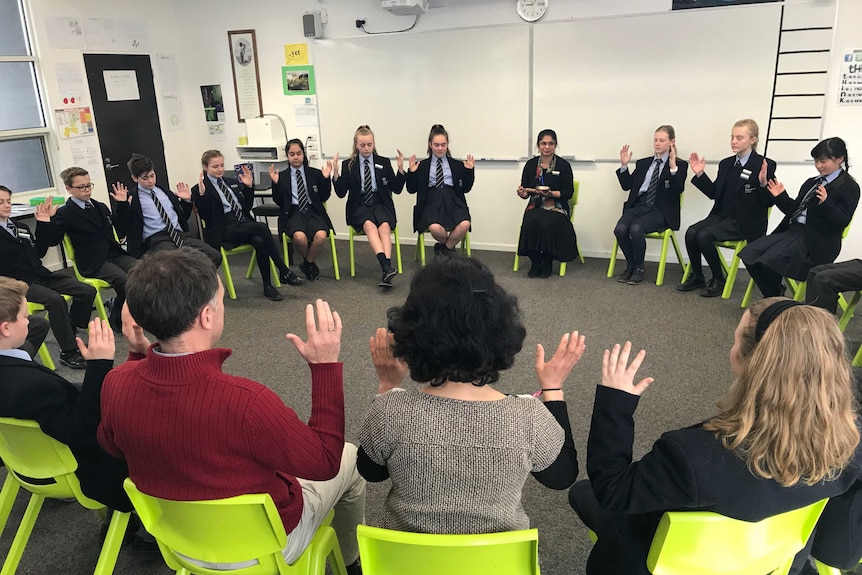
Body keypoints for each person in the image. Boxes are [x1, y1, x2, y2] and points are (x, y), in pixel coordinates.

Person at [97, 249, 365, 574]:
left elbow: (112, 445)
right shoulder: (246, 401)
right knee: (349, 460)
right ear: (207, 316)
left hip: (178, 541)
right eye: (221, 301)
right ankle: (350, 562)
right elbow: (323, 464)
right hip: (262, 548)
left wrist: (137, 358)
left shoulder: (116, 383)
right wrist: (325, 368)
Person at [569, 298, 862, 575]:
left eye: (735, 340)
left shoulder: (689, 458)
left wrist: (615, 404)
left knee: (584, 492)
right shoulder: (851, 443)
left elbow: (613, 490)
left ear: (748, 360)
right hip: (772, 560)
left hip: (656, 564)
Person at [357, 255, 580, 534]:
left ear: (411, 333)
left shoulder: (390, 410)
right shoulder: (529, 417)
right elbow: (562, 476)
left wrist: (388, 387)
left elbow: (372, 473)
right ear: (501, 333)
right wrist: (553, 389)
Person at [0, 276, 131, 512]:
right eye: (24, 316)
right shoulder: (34, 387)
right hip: (76, 471)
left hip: (21, 463)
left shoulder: (22, 379)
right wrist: (99, 366)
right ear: (5, 328)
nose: (30, 320)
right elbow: (83, 430)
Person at [741, 137, 859, 298]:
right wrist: (780, 196)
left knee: (770, 261)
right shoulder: (811, 182)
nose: (818, 165)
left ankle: (774, 299)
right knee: (749, 253)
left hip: (817, 240)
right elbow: (794, 210)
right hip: (793, 232)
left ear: (839, 159)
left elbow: (841, 222)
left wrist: (826, 203)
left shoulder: (848, 186)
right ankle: (774, 295)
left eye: (823, 161)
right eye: (816, 161)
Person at [677, 119, 777, 297]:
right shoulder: (726, 164)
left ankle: (718, 279)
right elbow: (715, 193)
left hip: (745, 222)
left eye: (739, 137)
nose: (734, 141)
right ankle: (698, 276)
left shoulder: (764, 164)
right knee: (691, 232)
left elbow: (769, 201)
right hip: (721, 217)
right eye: (732, 137)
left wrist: (762, 184)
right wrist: (700, 174)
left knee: (704, 236)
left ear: (752, 140)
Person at [0, 185, 94, 369]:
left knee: (86, 290)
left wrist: (44, 222)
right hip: (17, 284)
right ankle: (68, 351)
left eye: (8, 201)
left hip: (41, 275)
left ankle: (70, 325)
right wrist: (10, 285)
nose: (6, 205)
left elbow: (39, 253)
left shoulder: (20, 227)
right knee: (55, 301)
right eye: (1, 202)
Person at [192, 149, 303, 302]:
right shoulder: (199, 188)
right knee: (262, 228)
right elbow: (206, 216)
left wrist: (249, 187)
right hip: (223, 228)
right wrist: (202, 195)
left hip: (242, 222)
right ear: (205, 168)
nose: (220, 169)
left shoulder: (231, 183)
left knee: (260, 240)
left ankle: (267, 286)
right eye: (215, 166)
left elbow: (246, 206)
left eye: (222, 165)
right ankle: (283, 270)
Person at [35, 167, 137, 331]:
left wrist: (122, 204)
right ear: (69, 189)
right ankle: (118, 315)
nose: (87, 190)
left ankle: (118, 306)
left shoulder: (100, 206)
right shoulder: (65, 213)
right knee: (123, 280)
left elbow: (121, 229)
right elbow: (52, 240)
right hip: (92, 261)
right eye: (81, 187)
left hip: (113, 253)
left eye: (89, 185)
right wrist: (48, 220)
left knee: (144, 271)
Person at [110, 153, 221, 267]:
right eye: (145, 178)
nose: (150, 181)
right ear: (134, 178)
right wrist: (122, 205)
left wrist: (186, 201)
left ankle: (197, 283)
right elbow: (122, 227)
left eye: (152, 175)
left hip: (180, 235)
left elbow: (182, 217)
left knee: (214, 256)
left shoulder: (164, 192)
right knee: (175, 264)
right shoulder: (132, 198)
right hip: (157, 240)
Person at [614, 126, 689, 285]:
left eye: (662, 140)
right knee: (620, 229)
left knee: (636, 229)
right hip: (639, 205)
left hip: (660, 210)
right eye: (655, 140)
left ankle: (640, 268)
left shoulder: (679, 165)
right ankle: (631, 264)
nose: (657, 143)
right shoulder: (643, 163)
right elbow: (627, 185)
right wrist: (624, 166)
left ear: (671, 142)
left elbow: (678, 189)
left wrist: (673, 166)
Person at [333, 125, 405, 288]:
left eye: (369, 145)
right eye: (363, 145)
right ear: (356, 145)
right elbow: (341, 192)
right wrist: (336, 174)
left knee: (385, 227)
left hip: (380, 203)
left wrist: (400, 170)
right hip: (359, 206)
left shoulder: (383, 162)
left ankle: (386, 269)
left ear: (373, 144)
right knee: (369, 226)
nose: (366, 148)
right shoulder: (349, 165)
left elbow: (397, 188)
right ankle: (386, 267)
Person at [270, 139, 337, 282]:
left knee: (320, 236)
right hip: (293, 212)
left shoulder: (315, 173)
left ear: (303, 154)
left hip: (312, 210)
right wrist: (275, 184)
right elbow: (279, 201)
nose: (296, 157)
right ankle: (310, 264)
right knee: (299, 238)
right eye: (292, 154)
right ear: (287, 156)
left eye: (299, 153)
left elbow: (324, 196)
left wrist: (325, 179)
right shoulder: (281, 176)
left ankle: (307, 264)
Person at [516, 129, 579, 278]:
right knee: (530, 222)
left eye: (550, 143)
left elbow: (568, 193)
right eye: (543, 143)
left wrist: (551, 194)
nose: (547, 147)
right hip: (535, 205)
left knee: (547, 223)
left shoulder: (563, 165)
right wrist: (523, 193)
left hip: (557, 207)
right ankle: (535, 260)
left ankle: (547, 260)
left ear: (555, 145)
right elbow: (526, 190)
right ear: (538, 145)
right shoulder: (531, 165)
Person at [406, 124, 475, 259]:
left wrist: (469, 171)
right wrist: (412, 173)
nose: (440, 148)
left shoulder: (457, 165)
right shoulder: (422, 165)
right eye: (436, 144)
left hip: (453, 199)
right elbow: (411, 189)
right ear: (430, 144)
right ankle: (449, 248)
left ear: (447, 144)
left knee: (465, 223)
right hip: (431, 200)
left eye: (443, 145)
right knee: (435, 228)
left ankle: (443, 249)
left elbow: (466, 188)